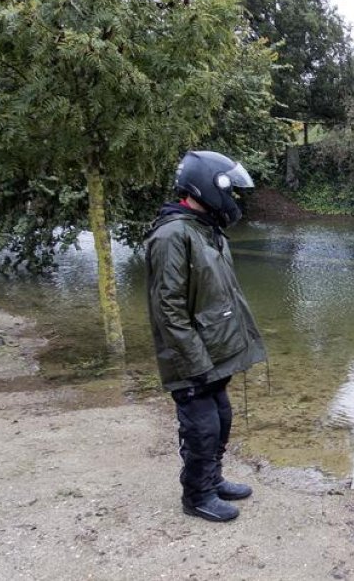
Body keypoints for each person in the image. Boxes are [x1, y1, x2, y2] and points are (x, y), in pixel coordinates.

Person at [144, 150, 268, 522]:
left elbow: (223, 297)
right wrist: (195, 363)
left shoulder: (205, 230)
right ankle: (196, 496)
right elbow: (168, 310)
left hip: (212, 355)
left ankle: (212, 480)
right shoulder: (172, 235)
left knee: (221, 418)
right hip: (190, 360)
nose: (233, 198)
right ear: (206, 187)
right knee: (202, 428)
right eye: (229, 190)